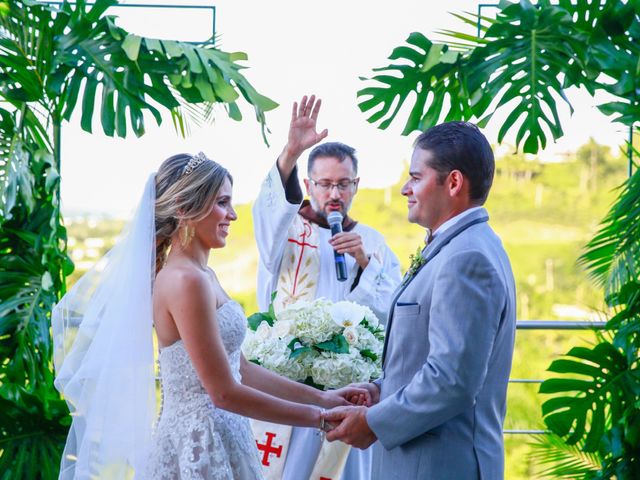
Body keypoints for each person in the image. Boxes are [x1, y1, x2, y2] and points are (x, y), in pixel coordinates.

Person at [52, 152, 369, 480]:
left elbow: (241, 368)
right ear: (186, 208)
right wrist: (319, 417)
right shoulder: (184, 281)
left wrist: (325, 398)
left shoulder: (204, 275)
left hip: (226, 434)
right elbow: (224, 392)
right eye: (222, 202)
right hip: (198, 446)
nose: (232, 214)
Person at [324, 121, 517, 480]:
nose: (404, 189)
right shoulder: (462, 245)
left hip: (439, 465)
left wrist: (373, 423)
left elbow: (452, 379)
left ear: (454, 182)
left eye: (416, 177)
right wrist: (381, 390)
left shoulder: (466, 258)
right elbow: (432, 357)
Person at [252, 96, 402, 480]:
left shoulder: (372, 241)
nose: (334, 194)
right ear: (308, 184)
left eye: (343, 184)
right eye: (325, 184)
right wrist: (290, 152)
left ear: (356, 185)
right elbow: (267, 217)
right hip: (285, 383)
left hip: (346, 388)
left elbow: (393, 314)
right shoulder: (288, 228)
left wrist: (367, 264)